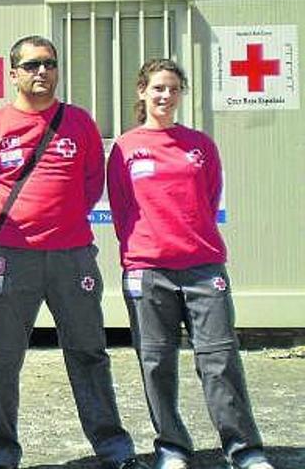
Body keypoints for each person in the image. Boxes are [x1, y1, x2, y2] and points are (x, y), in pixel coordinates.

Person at [0, 35, 147, 469]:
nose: (41, 71)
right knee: (4, 360)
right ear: (13, 74)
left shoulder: (78, 123)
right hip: (11, 258)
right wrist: (14, 221)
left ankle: (113, 448)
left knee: (89, 353)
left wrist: (58, 224)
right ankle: (1, 453)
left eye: (49, 63)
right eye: (31, 65)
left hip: (72, 257)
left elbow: (89, 186)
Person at [107, 59, 274, 469]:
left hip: (204, 266)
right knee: (156, 361)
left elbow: (209, 198)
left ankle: (244, 449)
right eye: (158, 88)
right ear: (142, 92)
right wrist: (145, 250)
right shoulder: (125, 147)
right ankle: (172, 446)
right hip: (147, 270)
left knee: (219, 359)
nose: (166, 96)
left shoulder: (200, 145)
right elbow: (121, 207)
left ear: (181, 94)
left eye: (174, 89)